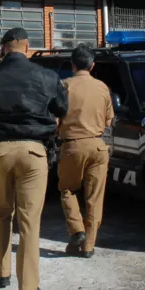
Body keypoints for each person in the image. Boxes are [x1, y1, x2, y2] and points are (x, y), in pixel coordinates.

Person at [0, 27, 68, 290]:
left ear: (3, 48)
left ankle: (2, 274)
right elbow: (63, 108)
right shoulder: (47, 75)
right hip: (34, 152)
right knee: (29, 221)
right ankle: (27, 288)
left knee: (1, 212)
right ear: (27, 45)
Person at [57, 44, 114, 258]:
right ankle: (88, 246)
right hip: (98, 146)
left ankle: (76, 230)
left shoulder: (64, 86)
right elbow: (109, 120)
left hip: (72, 145)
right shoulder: (102, 87)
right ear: (92, 65)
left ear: (72, 65)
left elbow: (55, 120)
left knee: (67, 190)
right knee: (94, 198)